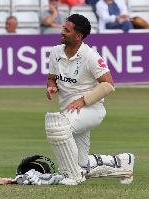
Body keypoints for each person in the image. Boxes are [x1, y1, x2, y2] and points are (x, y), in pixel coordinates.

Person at [42, 14, 134, 185]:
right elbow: (51, 78)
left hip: (91, 110)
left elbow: (108, 85)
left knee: (58, 127)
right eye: (63, 28)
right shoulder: (56, 52)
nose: (62, 32)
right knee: (82, 164)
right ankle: (123, 162)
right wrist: (51, 86)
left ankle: (71, 176)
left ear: (78, 36)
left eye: (66, 30)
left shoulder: (90, 55)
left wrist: (83, 101)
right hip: (70, 111)